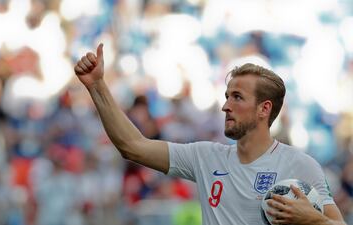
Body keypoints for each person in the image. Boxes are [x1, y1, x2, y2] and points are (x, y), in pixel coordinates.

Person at [73, 43, 347, 225]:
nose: (225, 106)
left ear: (264, 109)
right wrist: (97, 86)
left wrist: (314, 219)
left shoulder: (299, 165)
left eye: (237, 97)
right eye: (227, 96)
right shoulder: (206, 157)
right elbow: (132, 145)